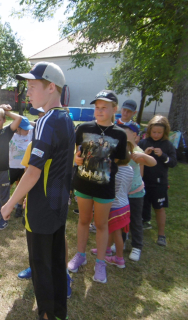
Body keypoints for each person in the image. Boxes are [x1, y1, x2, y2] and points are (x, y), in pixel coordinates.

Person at [1, 61, 75, 320]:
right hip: (59, 207)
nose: (27, 93)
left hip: (42, 208)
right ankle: (58, 313)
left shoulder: (46, 121)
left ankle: (46, 314)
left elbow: (33, 171)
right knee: (55, 263)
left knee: (40, 265)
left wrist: (10, 203)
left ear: (51, 87)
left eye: (32, 87)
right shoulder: (67, 118)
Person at [68, 90, 127, 284]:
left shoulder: (120, 133)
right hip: (83, 184)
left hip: (104, 188)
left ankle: (100, 262)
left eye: (104, 108)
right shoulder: (83, 128)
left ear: (114, 109)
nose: (99, 111)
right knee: (84, 220)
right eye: (97, 107)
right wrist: (76, 159)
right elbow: (77, 153)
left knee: (102, 225)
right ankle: (80, 255)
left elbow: (118, 159)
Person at [16, 141, 74, 300]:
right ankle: (34, 267)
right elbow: (27, 172)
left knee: (58, 236)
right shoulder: (32, 145)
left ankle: (63, 274)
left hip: (56, 199)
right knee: (33, 234)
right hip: (36, 201)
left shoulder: (67, 144)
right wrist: (25, 197)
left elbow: (69, 172)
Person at [116, 122, 156, 261]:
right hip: (121, 193)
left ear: (134, 135)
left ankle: (137, 246)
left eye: (124, 132)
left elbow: (153, 162)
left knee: (135, 220)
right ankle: (121, 241)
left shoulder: (137, 151)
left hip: (135, 193)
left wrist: (143, 157)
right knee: (121, 219)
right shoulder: (119, 149)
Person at [91, 142, 133, 269]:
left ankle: (119, 259)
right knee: (109, 230)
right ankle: (106, 249)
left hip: (114, 206)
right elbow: (128, 189)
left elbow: (110, 188)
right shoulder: (130, 169)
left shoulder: (116, 171)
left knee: (117, 234)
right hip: (125, 205)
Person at [139, 115, 177, 246]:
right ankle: (140, 227)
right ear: (149, 130)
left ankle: (161, 235)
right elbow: (135, 157)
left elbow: (173, 163)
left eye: (159, 133)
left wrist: (163, 156)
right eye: (154, 132)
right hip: (143, 182)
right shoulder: (144, 143)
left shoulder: (168, 145)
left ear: (165, 132)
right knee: (141, 206)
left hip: (159, 183)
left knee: (159, 208)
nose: (156, 135)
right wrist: (144, 153)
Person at [9, 116, 33, 218]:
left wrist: (25, 120)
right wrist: (17, 121)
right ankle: (5, 204)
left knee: (20, 187)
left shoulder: (30, 134)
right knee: (7, 187)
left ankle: (19, 206)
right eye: (25, 128)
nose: (28, 130)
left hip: (24, 167)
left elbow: (38, 124)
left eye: (28, 128)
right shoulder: (11, 135)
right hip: (11, 166)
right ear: (18, 128)